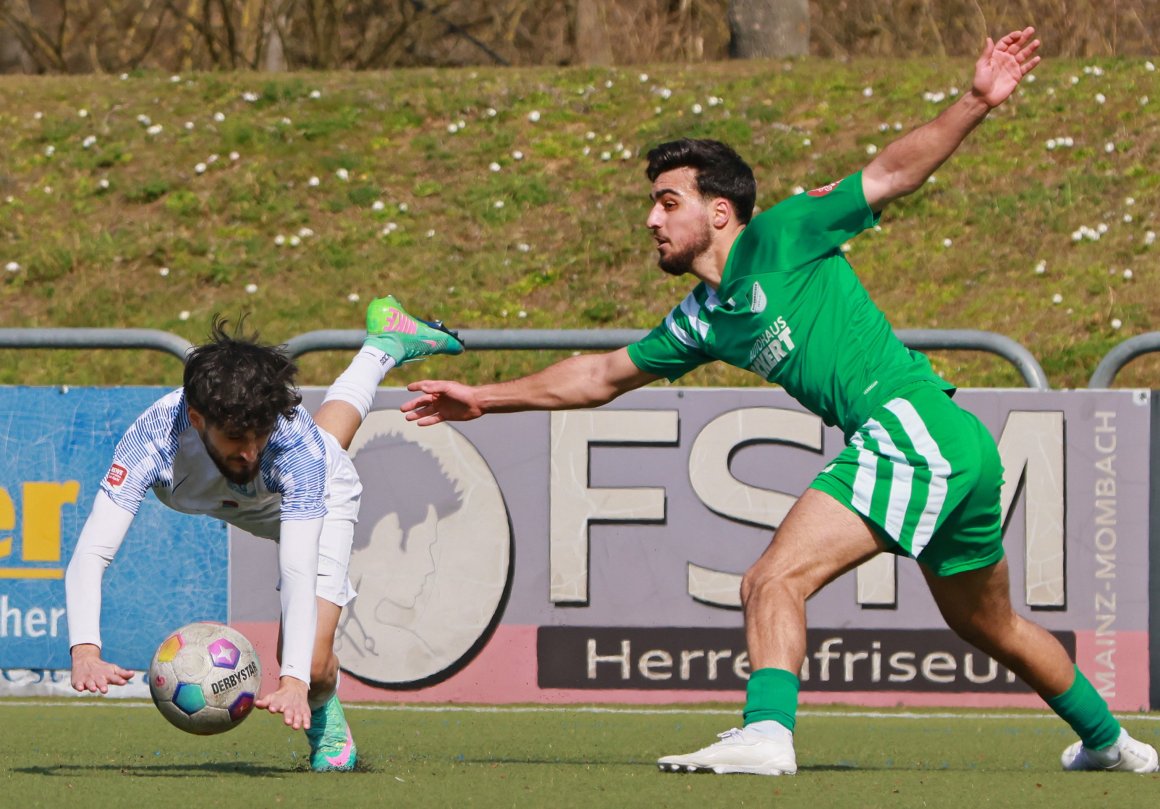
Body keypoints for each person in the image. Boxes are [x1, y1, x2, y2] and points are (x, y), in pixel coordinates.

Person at [400, 27, 1158, 775]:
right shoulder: (702, 318)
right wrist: (484, 397)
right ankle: (1111, 742)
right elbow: (600, 375)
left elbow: (890, 174)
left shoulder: (784, 234)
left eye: (668, 201)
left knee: (772, 579)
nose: (652, 219)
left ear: (721, 211)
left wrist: (974, 100)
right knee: (988, 622)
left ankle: (765, 731)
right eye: (652, 205)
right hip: (953, 444)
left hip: (913, 430)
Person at [66, 295, 464, 772]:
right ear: (197, 419)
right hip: (250, 496)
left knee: (313, 664)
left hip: (319, 499)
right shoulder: (152, 439)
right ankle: (383, 344)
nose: (251, 451)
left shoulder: (292, 448)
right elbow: (92, 553)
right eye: (236, 438)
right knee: (328, 436)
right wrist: (85, 649)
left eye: (260, 433)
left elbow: (296, 568)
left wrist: (294, 680)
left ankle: (326, 719)